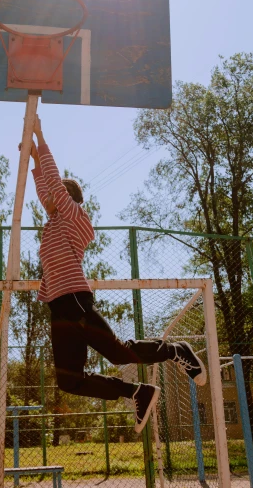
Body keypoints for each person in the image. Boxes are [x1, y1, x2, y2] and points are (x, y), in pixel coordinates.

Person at [28, 114, 206, 433]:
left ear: (66, 199)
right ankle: (138, 392)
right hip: (58, 310)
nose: (46, 201)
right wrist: (32, 160)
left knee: (118, 354)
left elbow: (53, 185)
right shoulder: (54, 220)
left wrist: (41, 140)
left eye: (53, 197)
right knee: (70, 381)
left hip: (74, 302)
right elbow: (46, 189)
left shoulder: (72, 216)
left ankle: (177, 350)